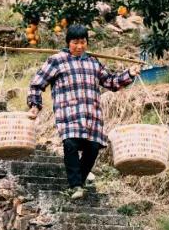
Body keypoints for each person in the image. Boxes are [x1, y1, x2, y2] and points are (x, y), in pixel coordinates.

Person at [27, 24, 140, 197]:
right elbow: (37, 83)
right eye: (75, 43)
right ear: (68, 43)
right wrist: (35, 105)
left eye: (83, 42)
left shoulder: (93, 62)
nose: (79, 46)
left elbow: (111, 82)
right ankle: (76, 186)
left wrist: (130, 73)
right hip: (68, 115)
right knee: (70, 144)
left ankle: (78, 182)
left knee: (93, 148)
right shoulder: (57, 60)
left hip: (91, 116)